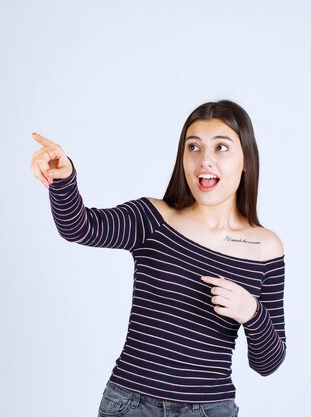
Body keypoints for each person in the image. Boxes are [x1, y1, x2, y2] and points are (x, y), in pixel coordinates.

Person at [30, 100, 286, 417]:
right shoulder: (154, 218)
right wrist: (64, 179)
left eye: (221, 148)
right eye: (193, 147)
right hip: (131, 405)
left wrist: (252, 312)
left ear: (246, 159)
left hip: (209, 409)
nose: (205, 160)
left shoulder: (265, 248)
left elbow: (268, 363)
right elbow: (80, 228)